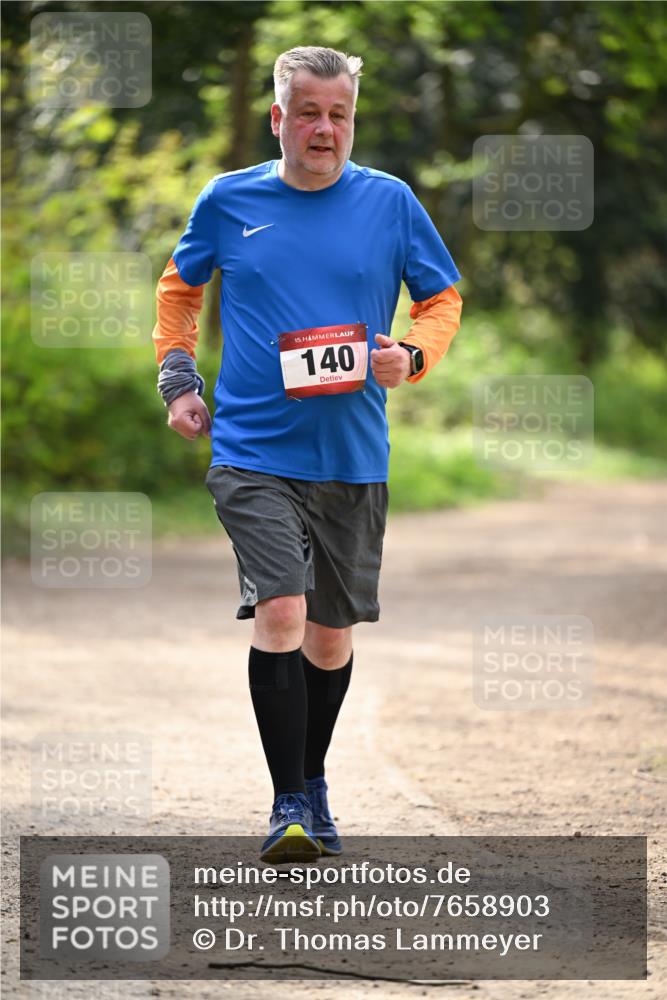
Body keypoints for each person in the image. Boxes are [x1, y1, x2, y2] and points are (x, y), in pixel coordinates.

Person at [153, 45, 462, 863]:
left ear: (350, 119)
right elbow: (179, 286)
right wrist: (177, 374)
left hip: (353, 454)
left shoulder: (390, 203)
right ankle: (287, 801)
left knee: (329, 636)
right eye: (310, 113)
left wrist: (416, 355)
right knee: (281, 612)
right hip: (252, 450)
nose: (324, 129)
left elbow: (440, 299)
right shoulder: (229, 199)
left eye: (339, 115)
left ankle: (313, 780)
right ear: (278, 116)